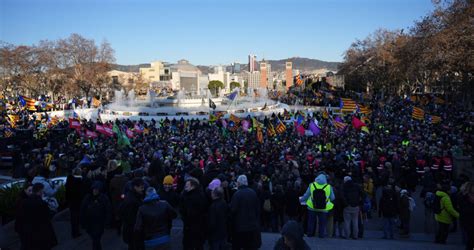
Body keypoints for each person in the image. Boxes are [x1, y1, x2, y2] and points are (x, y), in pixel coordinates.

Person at [18, 183, 58, 250]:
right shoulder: (41, 203)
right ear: (40, 191)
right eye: (42, 191)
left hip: (30, 232)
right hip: (42, 232)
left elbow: (21, 216)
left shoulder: (24, 202)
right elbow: (47, 217)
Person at [230, 175, 262, 250]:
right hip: (252, 225)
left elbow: (233, 210)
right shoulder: (253, 193)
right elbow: (257, 208)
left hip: (240, 226)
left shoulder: (237, 194)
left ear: (239, 183)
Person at [299, 173, 335, 238]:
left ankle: (310, 234)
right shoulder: (329, 187)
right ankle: (321, 235)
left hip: (312, 207)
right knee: (322, 223)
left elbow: (306, 195)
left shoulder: (312, 185)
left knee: (311, 221)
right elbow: (332, 198)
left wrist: (301, 200)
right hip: (324, 208)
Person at [80, 181, 111, 250]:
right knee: (95, 239)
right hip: (89, 223)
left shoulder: (104, 198)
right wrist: (83, 222)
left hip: (100, 222)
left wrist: (107, 222)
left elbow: (108, 210)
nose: (95, 191)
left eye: (97, 189)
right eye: (94, 189)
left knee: (96, 239)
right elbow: (82, 210)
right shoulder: (87, 198)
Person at [179, 177, 208, 250]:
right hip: (189, 225)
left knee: (196, 243)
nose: (185, 187)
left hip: (196, 225)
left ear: (193, 186)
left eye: (187, 185)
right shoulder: (185, 194)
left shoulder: (198, 196)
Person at [120, 178, 145, 250]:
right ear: (135, 187)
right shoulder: (132, 200)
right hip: (133, 232)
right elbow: (131, 219)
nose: (143, 189)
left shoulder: (132, 196)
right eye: (141, 188)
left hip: (132, 231)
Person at [66, 167, 86, 238]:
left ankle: (75, 231)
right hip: (77, 201)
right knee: (76, 216)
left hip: (71, 201)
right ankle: (76, 231)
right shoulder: (79, 181)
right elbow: (81, 192)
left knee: (73, 217)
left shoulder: (69, 180)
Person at [14, 184, 32, 250]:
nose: (31, 192)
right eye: (29, 190)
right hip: (23, 226)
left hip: (23, 226)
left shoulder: (24, 198)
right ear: (25, 190)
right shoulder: (22, 200)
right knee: (25, 244)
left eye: (32, 191)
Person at [458, 182, 474, 250]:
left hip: (469, 222)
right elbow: (465, 211)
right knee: (470, 241)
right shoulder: (463, 198)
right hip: (469, 223)